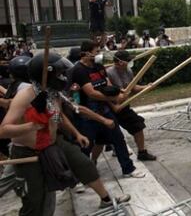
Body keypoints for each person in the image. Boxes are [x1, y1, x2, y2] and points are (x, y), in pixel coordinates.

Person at [0, 52, 130, 215]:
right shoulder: (24, 96)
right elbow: (3, 131)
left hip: (53, 143)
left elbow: (59, 117)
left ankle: (105, 200)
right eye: (60, 73)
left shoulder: (53, 93)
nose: (63, 77)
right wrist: (32, 126)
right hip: (28, 152)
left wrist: (76, 134)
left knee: (84, 164)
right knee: (36, 200)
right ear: (47, 74)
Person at [70, 40, 144, 178]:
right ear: (85, 53)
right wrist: (113, 98)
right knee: (86, 145)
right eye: (96, 51)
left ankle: (128, 169)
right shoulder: (79, 70)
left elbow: (108, 85)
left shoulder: (98, 67)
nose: (99, 54)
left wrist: (118, 92)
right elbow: (91, 93)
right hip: (88, 115)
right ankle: (80, 177)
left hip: (105, 110)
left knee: (118, 139)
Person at [105, 50, 156, 161]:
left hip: (123, 106)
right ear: (119, 62)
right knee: (103, 137)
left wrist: (146, 87)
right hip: (109, 108)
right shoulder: (108, 73)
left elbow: (133, 87)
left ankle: (142, 152)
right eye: (127, 60)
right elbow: (105, 93)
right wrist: (116, 101)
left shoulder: (128, 70)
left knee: (138, 125)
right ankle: (93, 159)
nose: (129, 62)